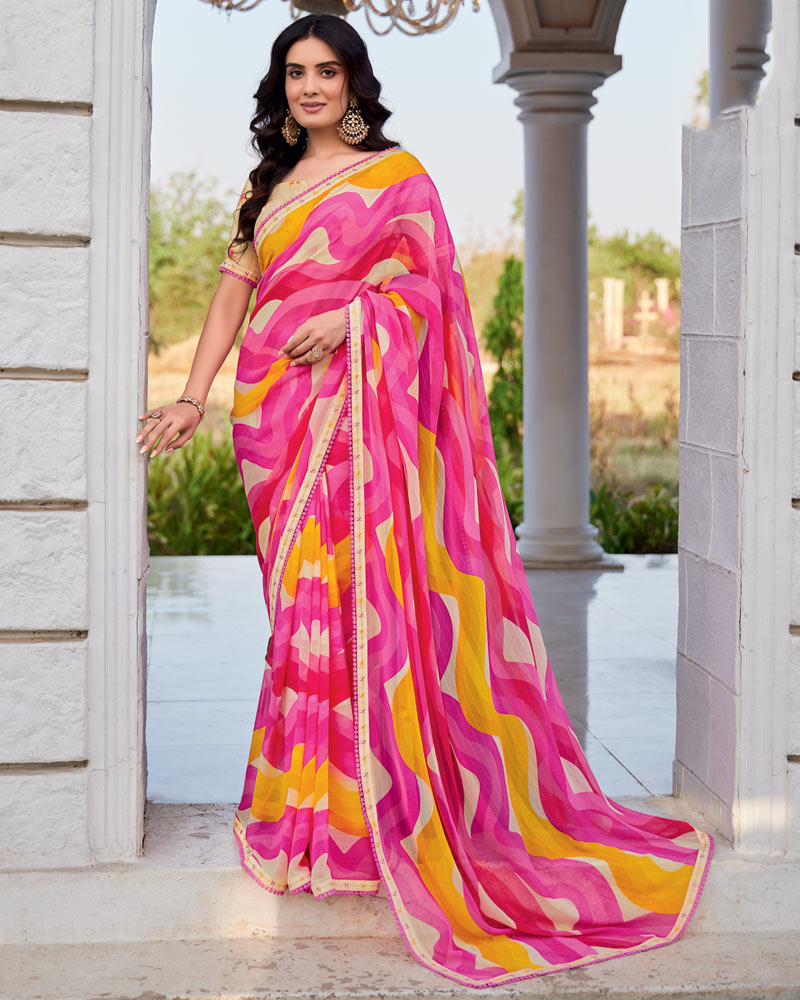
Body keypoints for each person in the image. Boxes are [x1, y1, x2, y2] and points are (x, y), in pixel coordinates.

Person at [136, 13, 714, 989]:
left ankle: (373, 818)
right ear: (280, 88)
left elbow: (430, 298)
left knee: (363, 613)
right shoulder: (264, 187)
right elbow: (234, 295)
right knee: (302, 616)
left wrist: (354, 319)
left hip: (362, 422)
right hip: (276, 421)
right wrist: (194, 396)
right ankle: (309, 808)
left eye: (326, 71)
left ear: (354, 83)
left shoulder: (397, 179)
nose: (310, 87)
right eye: (294, 72)